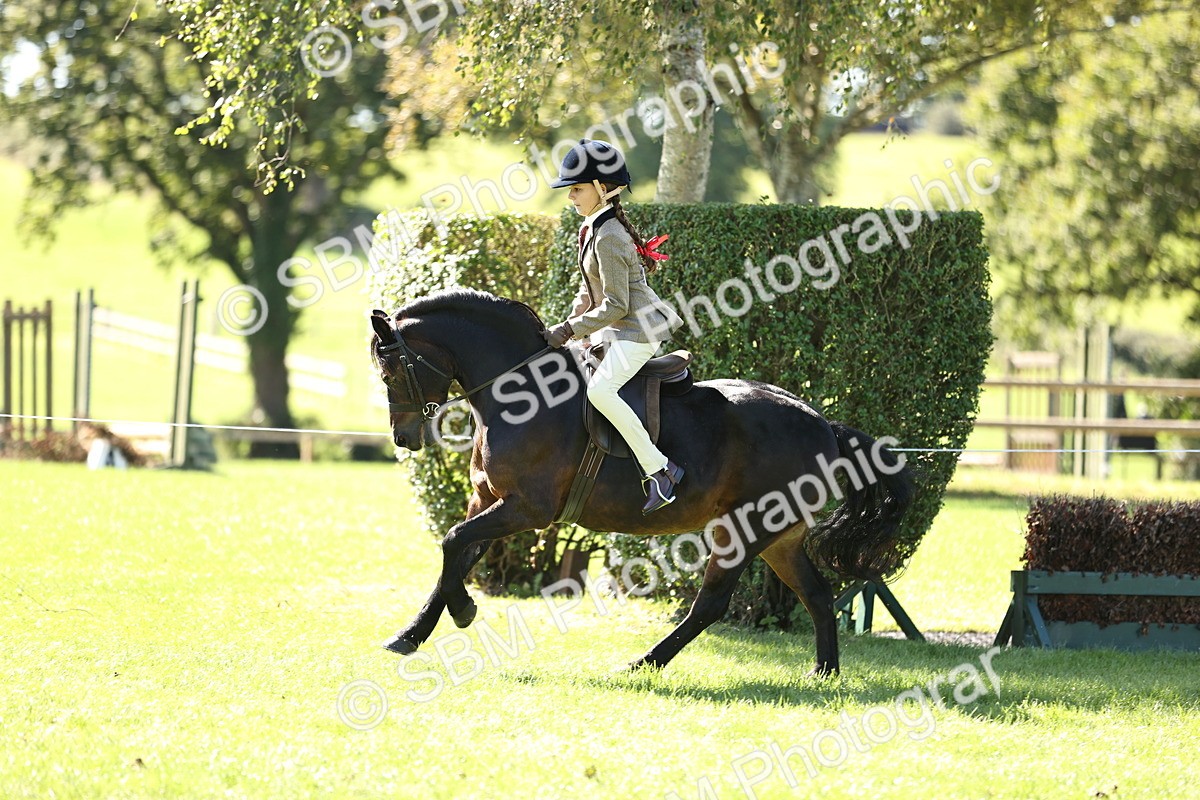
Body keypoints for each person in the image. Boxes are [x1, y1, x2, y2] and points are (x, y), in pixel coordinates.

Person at [542, 139, 686, 514]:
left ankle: (661, 471)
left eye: (577, 188)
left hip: (638, 331)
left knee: (600, 392)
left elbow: (617, 305)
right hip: (617, 327)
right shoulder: (593, 228)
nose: (571, 196)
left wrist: (571, 330)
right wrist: (565, 327)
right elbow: (588, 293)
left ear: (603, 188)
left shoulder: (608, 236)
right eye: (570, 189)